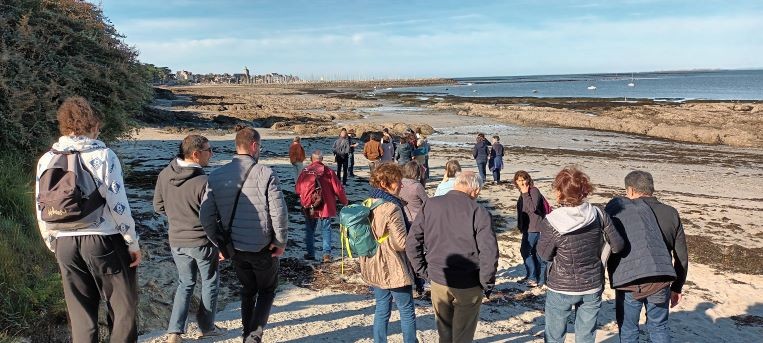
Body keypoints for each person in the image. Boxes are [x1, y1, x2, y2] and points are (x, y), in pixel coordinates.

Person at [35, 97, 141, 342]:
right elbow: (118, 204)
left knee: (81, 315)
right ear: (92, 125)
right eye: (98, 127)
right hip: (103, 239)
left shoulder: (46, 159)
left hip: (64, 243)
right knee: (123, 308)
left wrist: (52, 242)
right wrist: (132, 242)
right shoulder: (104, 155)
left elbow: (40, 207)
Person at [200, 126, 288, 343]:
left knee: (247, 290)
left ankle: (247, 334)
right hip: (262, 246)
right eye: (260, 146)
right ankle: (254, 335)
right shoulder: (265, 173)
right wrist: (280, 241)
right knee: (266, 290)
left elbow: (206, 216)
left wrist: (219, 244)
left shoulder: (216, 175)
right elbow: (279, 212)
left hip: (235, 247)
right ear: (254, 146)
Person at [406, 172, 498, 343]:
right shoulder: (478, 211)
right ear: (475, 190)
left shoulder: (431, 205)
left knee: (444, 332)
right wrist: (486, 283)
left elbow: (412, 243)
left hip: (439, 279)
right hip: (467, 283)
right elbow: (489, 252)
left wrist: (423, 271)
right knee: (462, 335)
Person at [537, 166, 625, 343]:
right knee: (586, 335)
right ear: (584, 190)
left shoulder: (552, 220)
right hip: (592, 283)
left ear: (559, 192)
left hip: (560, 285)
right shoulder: (598, 213)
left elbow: (544, 255)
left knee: (554, 334)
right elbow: (618, 246)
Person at [605, 171, 689, 343]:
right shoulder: (671, 213)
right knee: (659, 327)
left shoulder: (621, 211)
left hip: (629, 280)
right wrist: (677, 286)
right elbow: (681, 255)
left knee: (628, 329)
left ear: (631, 190)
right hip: (661, 278)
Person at [154, 135, 222, 342]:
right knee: (210, 283)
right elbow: (211, 218)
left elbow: (158, 207)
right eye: (209, 150)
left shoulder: (165, 174)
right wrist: (221, 243)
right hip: (202, 242)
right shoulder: (204, 181)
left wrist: (178, 217)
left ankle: (175, 332)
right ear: (196, 154)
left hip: (177, 240)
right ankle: (207, 327)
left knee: (185, 283)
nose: (211, 154)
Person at [360, 163, 417, 343]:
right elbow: (400, 243)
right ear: (385, 183)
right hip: (393, 264)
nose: (401, 185)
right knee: (406, 309)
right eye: (398, 181)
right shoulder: (392, 207)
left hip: (372, 261)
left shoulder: (368, 202)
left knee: (382, 307)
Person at [296, 150, 349, 263]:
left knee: (310, 230)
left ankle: (310, 253)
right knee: (326, 229)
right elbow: (338, 189)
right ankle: (326, 255)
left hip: (310, 206)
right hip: (326, 205)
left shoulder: (305, 171)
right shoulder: (328, 171)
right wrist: (345, 202)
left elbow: (297, 189)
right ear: (322, 159)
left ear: (311, 159)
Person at [513, 171, 548, 287]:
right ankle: (535, 277)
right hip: (528, 228)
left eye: (523, 179)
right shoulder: (523, 193)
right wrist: (521, 226)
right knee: (533, 253)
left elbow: (533, 208)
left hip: (535, 228)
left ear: (528, 180)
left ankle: (533, 278)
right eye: (519, 180)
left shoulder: (533, 191)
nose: (522, 182)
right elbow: (522, 211)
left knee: (526, 252)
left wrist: (525, 194)